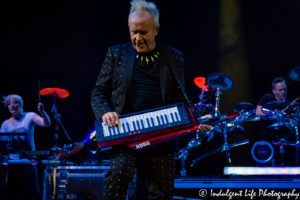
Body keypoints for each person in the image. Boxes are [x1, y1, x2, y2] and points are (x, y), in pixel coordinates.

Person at [91, 0, 211, 199]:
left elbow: (182, 95)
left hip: (162, 131)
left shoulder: (173, 56)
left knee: (162, 188)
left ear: (156, 29)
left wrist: (197, 119)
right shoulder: (117, 53)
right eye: (133, 32)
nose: (137, 38)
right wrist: (105, 111)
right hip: (124, 130)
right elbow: (97, 92)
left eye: (143, 32)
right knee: (119, 173)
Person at [0, 94, 51, 200]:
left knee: (34, 191)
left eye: (15, 103)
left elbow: (47, 124)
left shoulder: (29, 116)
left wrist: (42, 112)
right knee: (9, 191)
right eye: (9, 104)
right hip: (11, 161)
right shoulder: (5, 124)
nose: (12, 106)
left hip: (27, 159)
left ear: (21, 104)